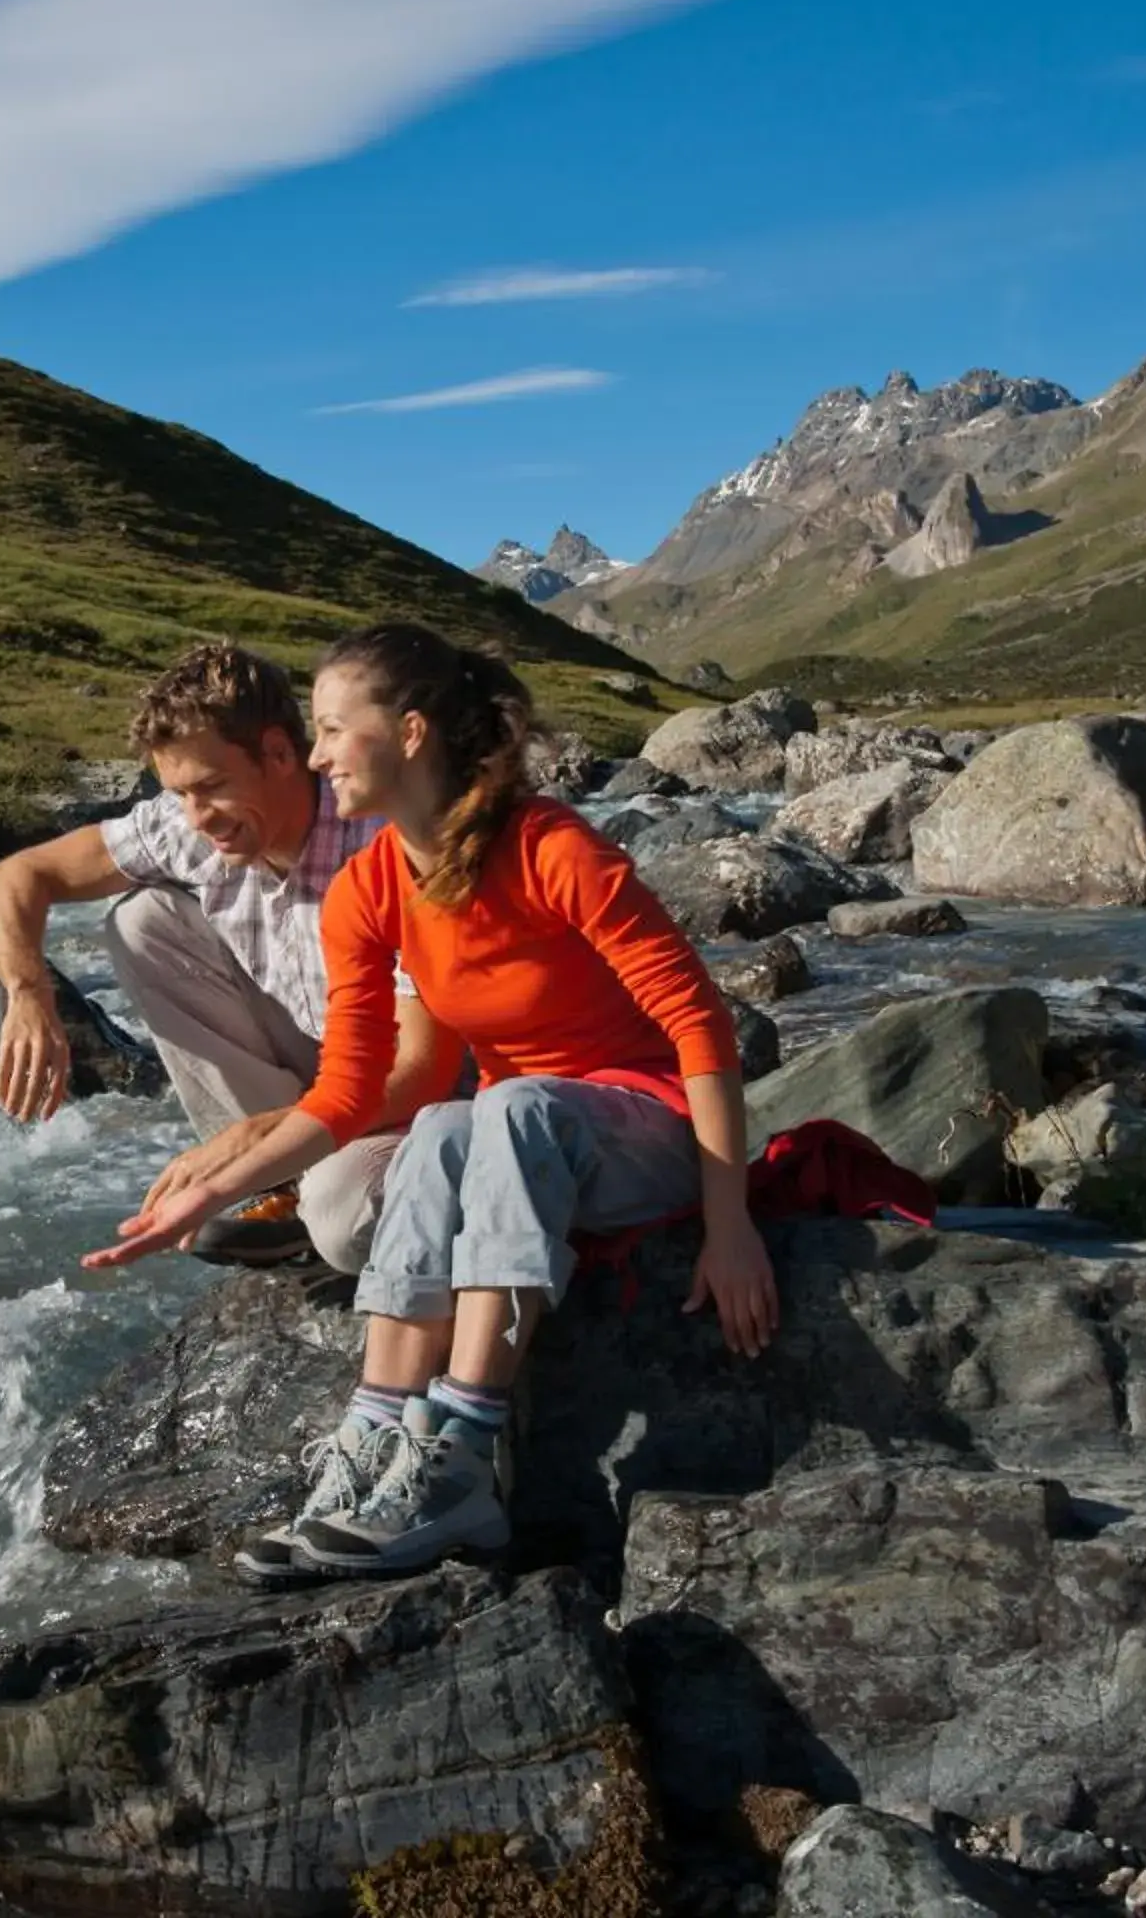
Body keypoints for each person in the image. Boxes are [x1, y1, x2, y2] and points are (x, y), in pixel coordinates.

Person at [86, 623, 778, 1583]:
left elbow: (699, 1021)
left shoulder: (552, 847)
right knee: (444, 1125)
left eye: (332, 728)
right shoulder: (367, 889)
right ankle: (373, 1445)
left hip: (641, 1126)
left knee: (510, 1107)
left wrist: (728, 1222)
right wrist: (212, 1192)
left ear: (410, 733)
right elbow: (350, 1092)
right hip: (516, 1137)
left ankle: (463, 1461)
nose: (317, 752)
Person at [0, 641, 458, 1268]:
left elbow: (425, 1066)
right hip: (331, 1059)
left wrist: (257, 1134)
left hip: (429, 1091)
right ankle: (282, 1186)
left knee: (342, 1225)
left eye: (210, 786)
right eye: (178, 792)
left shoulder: (385, 840)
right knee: (143, 920)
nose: (196, 816)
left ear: (282, 754)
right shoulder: (193, 825)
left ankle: (305, 1178)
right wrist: (27, 992)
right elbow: (16, 876)